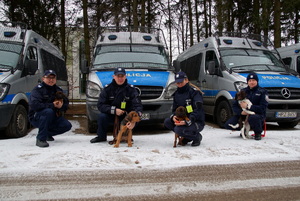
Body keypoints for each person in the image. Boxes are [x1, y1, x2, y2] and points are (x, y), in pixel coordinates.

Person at [90, 67, 143, 143]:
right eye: (118, 76)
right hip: (112, 114)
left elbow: (138, 106)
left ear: (125, 76)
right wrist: (114, 110)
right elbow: (100, 105)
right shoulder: (107, 89)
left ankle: (127, 136)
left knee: (134, 117)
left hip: (126, 116)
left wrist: (134, 122)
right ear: (114, 76)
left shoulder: (131, 90)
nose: (120, 78)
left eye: (122, 76)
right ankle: (101, 137)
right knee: (102, 117)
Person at [29, 70, 72, 148]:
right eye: (48, 78)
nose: (51, 80)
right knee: (48, 112)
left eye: (53, 78)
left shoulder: (58, 90)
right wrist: (52, 105)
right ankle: (40, 139)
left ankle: (47, 133)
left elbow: (66, 103)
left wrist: (61, 106)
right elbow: (35, 105)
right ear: (43, 78)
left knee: (67, 125)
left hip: (53, 116)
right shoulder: (38, 90)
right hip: (37, 116)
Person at [164, 71, 205, 146]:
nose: (179, 84)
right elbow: (174, 110)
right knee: (167, 122)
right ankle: (187, 136)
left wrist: (188, 121)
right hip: (182, 119)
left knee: (178, 129)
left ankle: (196, 137)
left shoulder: (194, 92)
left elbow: (198, 110)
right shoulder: (176, 94)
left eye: (181, 82)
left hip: (196, 121)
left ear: (186, 80)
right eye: (177, 83)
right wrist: (174, 117)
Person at [224, 72, 268, 140]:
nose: (251, 82)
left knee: (253, 118)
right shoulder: (243, 91)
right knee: (228, 124)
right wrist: (241, 112)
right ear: (247, 82)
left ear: (257, 81)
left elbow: (263, 108)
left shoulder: (262, 92)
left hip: (257, 114)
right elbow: (234, 106)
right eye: (250, 81)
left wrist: (248, 107)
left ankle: (257, 133)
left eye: (253, 80)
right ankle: (243, 129)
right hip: (243, 114)